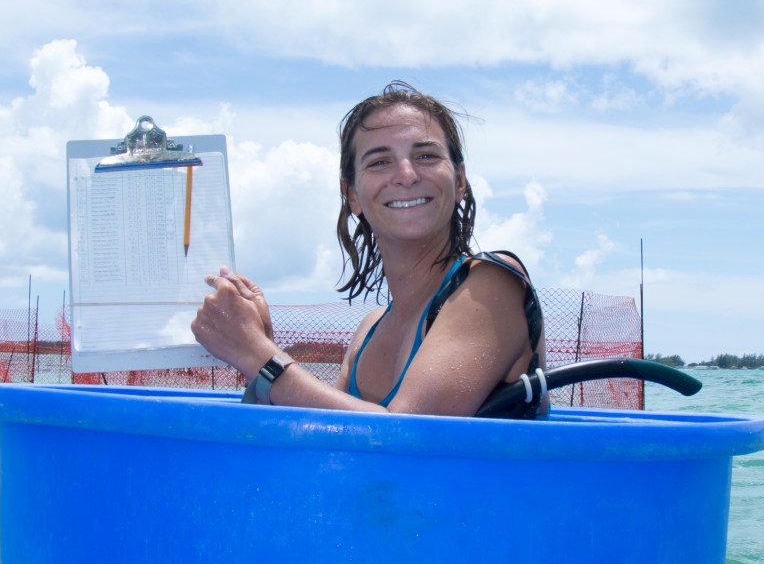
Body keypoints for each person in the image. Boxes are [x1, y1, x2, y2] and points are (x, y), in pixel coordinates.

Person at [191, 82, 544, 417]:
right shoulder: (368, 331)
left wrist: (256, 354)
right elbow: (335, 442)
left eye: (425, 155)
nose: (406, 174)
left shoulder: (492, 284)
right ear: (353, 195)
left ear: (460, 180)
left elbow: (408, 438)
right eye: (379, 161)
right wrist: (262, 340)